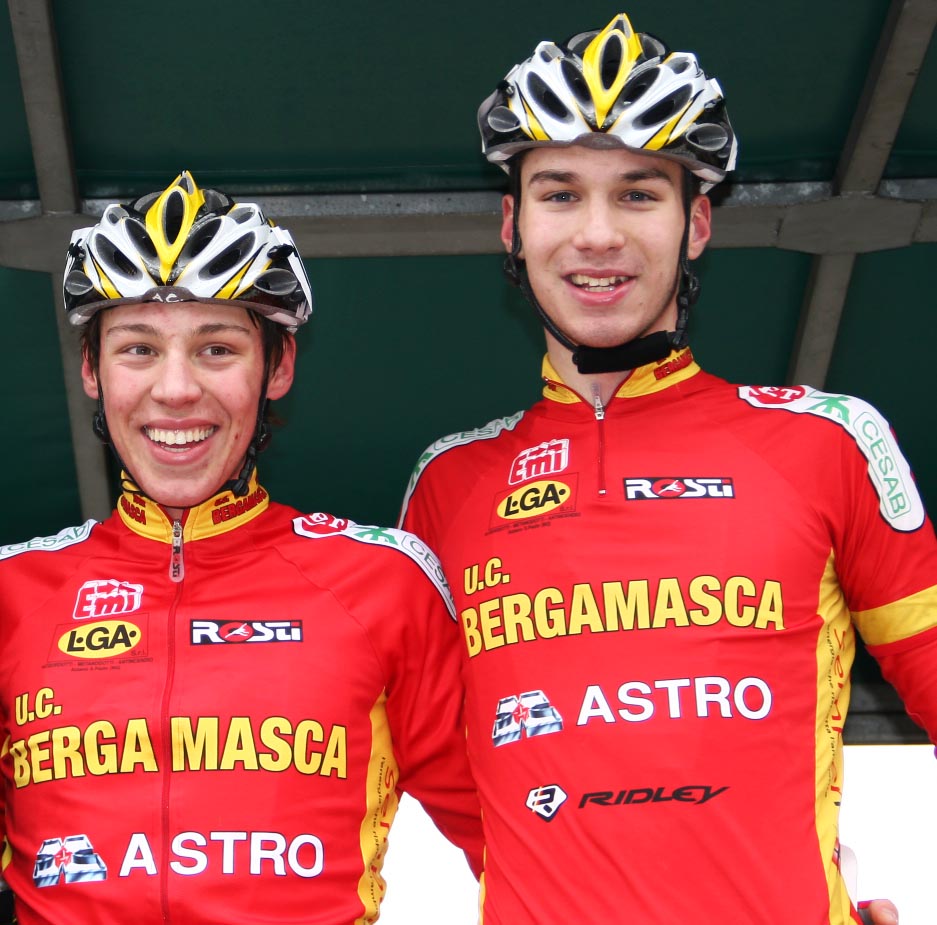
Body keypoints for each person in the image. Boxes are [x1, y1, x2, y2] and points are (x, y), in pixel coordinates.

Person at [398, 12, 935, 924]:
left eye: (638, 195)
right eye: (560, 194)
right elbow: (424, 756)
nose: (597, 234)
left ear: (695, 225)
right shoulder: (448, 483)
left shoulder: (826, 440)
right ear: (511, 225)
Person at [0, 171, 483, 925]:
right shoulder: (13, 591)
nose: (176, 390)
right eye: (137, 349)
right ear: (91, 371)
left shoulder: (381, 581)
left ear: (279, 366)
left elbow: (525, 837)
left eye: (217, 348)